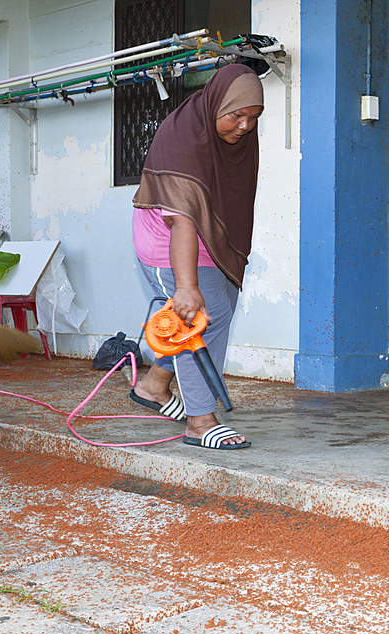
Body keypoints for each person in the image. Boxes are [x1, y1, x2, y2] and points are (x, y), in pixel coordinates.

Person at [129, 64, 263, 450]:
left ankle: (154, 386)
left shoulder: (236, 141)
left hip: (210, 239)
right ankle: (199, 420)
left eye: (253, 117)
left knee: (220, 310)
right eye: (236, 114)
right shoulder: (182, 136)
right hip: (168, 238)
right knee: (200, 319)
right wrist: (186, 286)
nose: (244, 126)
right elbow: (183, 219)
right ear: (216, 102)